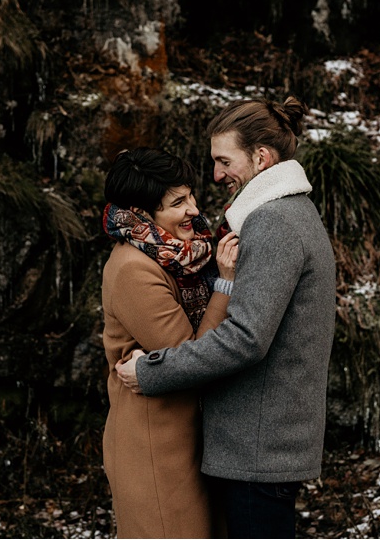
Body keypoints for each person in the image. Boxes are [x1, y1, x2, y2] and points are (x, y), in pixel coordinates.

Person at [116, 96, 336, 540]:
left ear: (261, 157)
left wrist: (151, 371)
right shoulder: (291, 212)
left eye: (223, 160)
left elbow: (246, 339)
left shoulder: (273, 221)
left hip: (258, 447)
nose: (216, 175)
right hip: (262, 442)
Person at [101, 146, 238, 539]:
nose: (194, 209)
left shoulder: (183, 257)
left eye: (191, 195)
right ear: (144, 214)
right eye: (178, 202)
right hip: (156, 448)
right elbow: (190, 358)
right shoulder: (133, 269)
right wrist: (225, 284)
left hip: (190, 436)